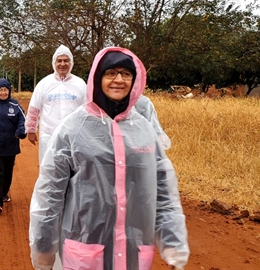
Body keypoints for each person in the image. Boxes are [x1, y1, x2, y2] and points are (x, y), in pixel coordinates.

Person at [29, 47, 189, 270]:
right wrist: (43, 248)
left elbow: (163, 190)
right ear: (97, 77)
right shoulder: (72, 129)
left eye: (126, 74)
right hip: (85, 247)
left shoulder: (143, 129)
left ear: (135, 80)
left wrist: (173, 246)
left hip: (133, 249)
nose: (119, 80)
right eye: (110, 73)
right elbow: (49, 195)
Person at [25, 44, 87, 164]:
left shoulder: (80, 84)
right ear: (54, 62)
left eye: (66, 60)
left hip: (74, 136)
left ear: (71, 62)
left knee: (73, 168)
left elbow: (88, 110)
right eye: (59, 61)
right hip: (49, 135)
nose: (62, 64)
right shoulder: (44, 83)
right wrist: (31, 130)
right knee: (49, 168)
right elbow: (34, 108)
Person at [0, 78, 26, 214]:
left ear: (9, 91)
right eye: (0, 90)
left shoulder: (15, 105)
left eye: (5, 90)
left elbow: (22, 120)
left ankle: (4, 193)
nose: (3, 92)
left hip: (11, 144)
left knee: (7, 172)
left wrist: (20, 131)